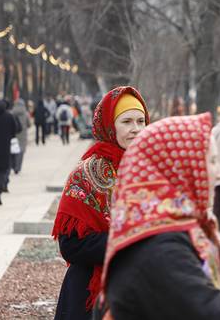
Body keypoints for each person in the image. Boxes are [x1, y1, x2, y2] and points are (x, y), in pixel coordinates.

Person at [95, 113, 220, 320]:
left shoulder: (163, 233)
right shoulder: (160, 249)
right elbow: (214, 314)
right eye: (211, 161)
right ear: (180, 170)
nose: (219, 173)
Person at [52, 87, 149, 320]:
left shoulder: (151, 170)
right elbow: (70, 245)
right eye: (126, 121)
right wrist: (127, 241)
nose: (136, 129)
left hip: (142, 291)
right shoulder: (86, 173)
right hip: (88, 296)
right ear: (109, 125)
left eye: (141, 120)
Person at [11, 98, 31, 174]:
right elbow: (29, 124)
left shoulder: (12, 113)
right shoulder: (26, 113)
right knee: (21, 151)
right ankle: (18, 167)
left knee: (13, 150)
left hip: (14, 134)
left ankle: (13, 165)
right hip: (23, 134)